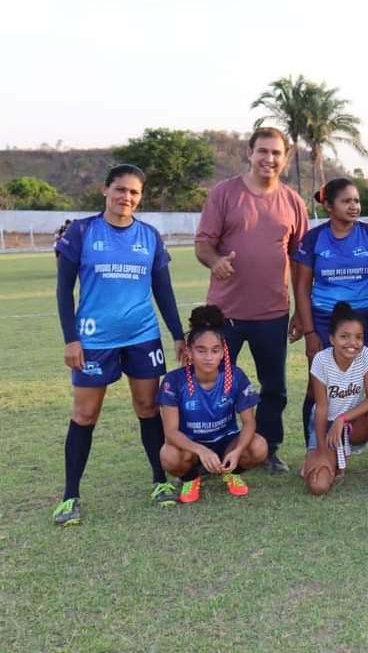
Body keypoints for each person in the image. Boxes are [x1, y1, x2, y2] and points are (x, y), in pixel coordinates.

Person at [52, 164, 186, 526]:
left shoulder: (150, 236)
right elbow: (64, 289)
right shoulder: (81, 232)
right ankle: (70, 497)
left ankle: (159, 483)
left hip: (142, 336)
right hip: (94, 339)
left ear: (140, 197)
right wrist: (71, 339)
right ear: (105, 191)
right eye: (120, 190)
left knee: (147, 408)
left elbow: (163, 291)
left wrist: (177, 334)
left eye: (134, 192)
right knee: (84, 415)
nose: (126, 197)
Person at [194, 127, 308, 474]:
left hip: (272, 312)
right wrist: (216, 262)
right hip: (224, 314)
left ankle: (268, 449)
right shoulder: (224, 194)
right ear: (249, 152)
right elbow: (203, 244)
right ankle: (211, 450)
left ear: (285, 158)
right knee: (213, 383)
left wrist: (301, 313)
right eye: (263, 151)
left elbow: (300, 261)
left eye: (276, 153)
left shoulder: (292, 202)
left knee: (274, 386)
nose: (269, 159)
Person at [292, 178, 368, 448]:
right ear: (328, 206)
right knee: (316, 387)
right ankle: (313, 449)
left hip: (367, 317)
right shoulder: (314, 238)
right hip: (325, 318)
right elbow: (301, 286)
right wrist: (310, 331)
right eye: (346, 201)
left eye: (356, 200)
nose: (354, 206)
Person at [158, 305, 268, 504]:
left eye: (214, 350)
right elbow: (171, 432)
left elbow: (249, 423)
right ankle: (191, 478)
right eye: (201, 350)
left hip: (226, 441)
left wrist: (237, 451)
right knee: (168, 455)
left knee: (259, 446)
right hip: (191, 447)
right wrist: (200, 450)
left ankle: (230, 471)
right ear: (189, 352)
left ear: (222, 352)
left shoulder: (235, 376)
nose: (208, 357)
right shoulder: (173, 381)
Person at [302, 302, 368, 495]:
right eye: (344, 337)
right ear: (331, 338)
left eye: (358, 337)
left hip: (351, 425)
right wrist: (322, 452)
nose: (352, 343)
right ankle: (319, 459)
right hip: (327, 428)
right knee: (318, 486)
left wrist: (343, 419)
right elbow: (321, 408)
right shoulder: (321, 361)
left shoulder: (365, 355)